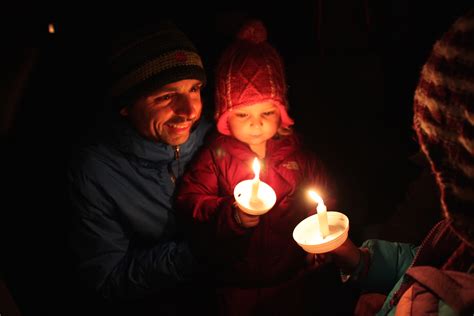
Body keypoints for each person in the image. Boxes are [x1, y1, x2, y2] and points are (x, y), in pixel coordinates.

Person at [175, 20, 345, 316]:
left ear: (282, 113)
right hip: (234, 285)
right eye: (242, 113)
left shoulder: (298, 156)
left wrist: (317, 239)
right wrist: (233, 215)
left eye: (267, 112)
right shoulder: (216, 156)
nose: (256, 123)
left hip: (290, 279)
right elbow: (191, 201)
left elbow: (323, 197)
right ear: (225, 117)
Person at [326, 10, 474, 315]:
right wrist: (361, 260)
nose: (438, 185)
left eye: (442, 164)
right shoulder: (459, 235)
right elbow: (425, 262)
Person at [67, 21, 213, 316]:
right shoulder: (97, 172)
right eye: (165, 96)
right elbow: (107, 277)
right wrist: (198, 254)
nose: (189, 111)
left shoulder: (215, 136)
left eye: (194, 89)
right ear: (126, 105)